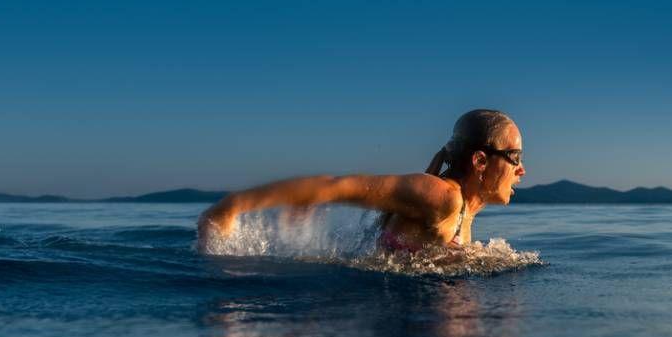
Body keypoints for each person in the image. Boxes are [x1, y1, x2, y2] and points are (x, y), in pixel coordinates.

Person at [198, 109, 525, 251]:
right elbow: (334, 186)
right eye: (516, 157)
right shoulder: (442, 197)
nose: (521, 170)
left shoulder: (462, 212)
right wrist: (230, 207)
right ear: (481, 160)